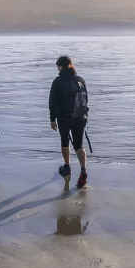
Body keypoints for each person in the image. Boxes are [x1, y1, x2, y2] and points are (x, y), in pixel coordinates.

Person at [49, 56, 90, 188]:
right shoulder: (80, 80)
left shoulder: (58, 81)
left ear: (61, 66)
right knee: (79, 145)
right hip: (81, 117)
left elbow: (52, 102)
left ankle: (67, 167)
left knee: (64, 142)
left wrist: (52, 119)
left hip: (64, 117)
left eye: (58, 67)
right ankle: (83, 169)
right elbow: (86, 99)